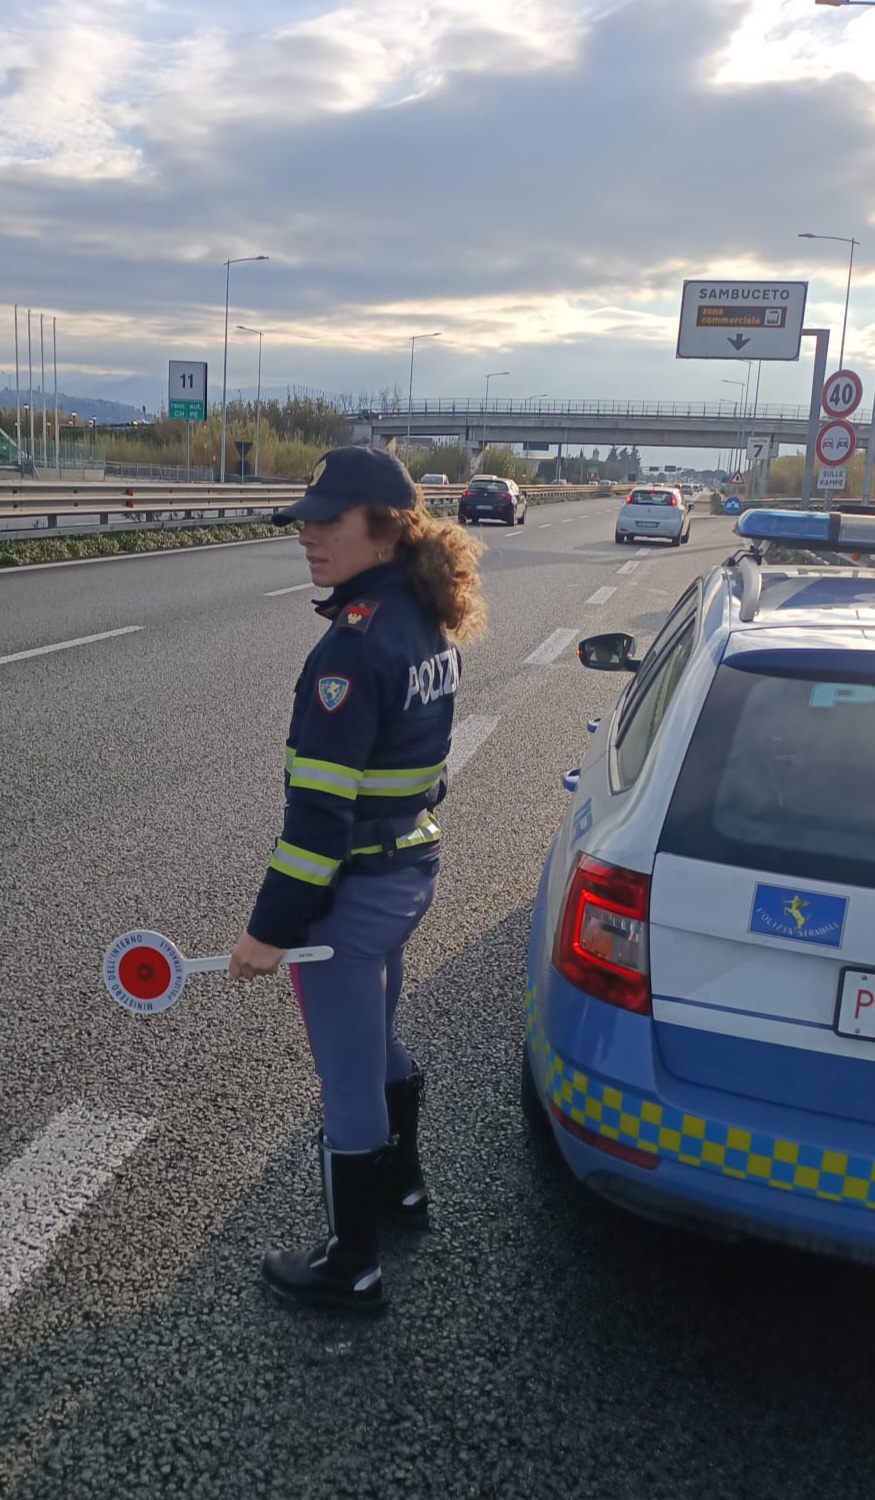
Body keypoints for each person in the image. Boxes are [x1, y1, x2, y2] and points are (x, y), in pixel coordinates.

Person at [229, 445, 487, 1315]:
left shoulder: (349, 652)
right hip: (409, 872)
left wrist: (270, 932)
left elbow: (317, 823)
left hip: (353, 897)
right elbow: (424, 767)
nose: (307, 534)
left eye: (326, 519)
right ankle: (404, 1192)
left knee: (346, 1078)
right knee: (376, 1043)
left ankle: (353, 1266)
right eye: (303, 518)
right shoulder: (425, 619)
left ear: (383, 528)